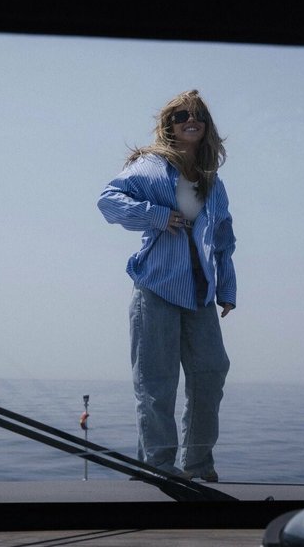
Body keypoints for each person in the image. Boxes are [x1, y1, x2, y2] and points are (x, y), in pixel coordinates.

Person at [97, 89, 236, 482]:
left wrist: (227, 290)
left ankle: (197, 465)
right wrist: (156, 215)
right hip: (156, 289)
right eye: (181, 116)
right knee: (157, 383)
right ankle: (158, 467)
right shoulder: (150, 166)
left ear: (206, 126)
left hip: (200, 294)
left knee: (211, 373)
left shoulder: (213, 182)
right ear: (169, 125)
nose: (191, 120)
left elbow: (223, 239)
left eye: (198, 115)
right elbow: (108, 201)